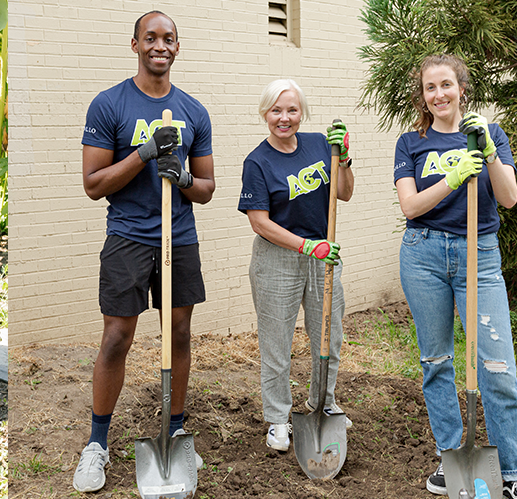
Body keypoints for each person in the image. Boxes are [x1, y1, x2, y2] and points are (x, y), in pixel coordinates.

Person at [73, 10, 215, 493]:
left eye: (168, 38)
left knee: (178, 331)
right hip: (129, 237)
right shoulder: (109, 105)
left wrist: (185, 177)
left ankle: (175, 429)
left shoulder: (194, 111)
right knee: (117, 337)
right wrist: (144, 154)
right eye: (150, 37)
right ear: (134, 44)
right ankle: (97, 444)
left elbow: (208, 188)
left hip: (180, 236)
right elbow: (93, 185)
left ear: (178, 47)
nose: (160, 45)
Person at [393, 53, 517, 499]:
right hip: (424, 255)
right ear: (423, 96)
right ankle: (452, 458)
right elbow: (410, 207)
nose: (439, 95)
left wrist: (488, 152)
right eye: (430, 88)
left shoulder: (489, 135)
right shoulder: (410, 143)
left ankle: (510, 475)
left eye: (446, 85)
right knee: (436, 363)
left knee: (498, 368)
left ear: (461, 88)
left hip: (480, 257)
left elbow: (508, 199)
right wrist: (453, 177)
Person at [238, 79, 354, 452]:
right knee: (277, 345)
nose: (284, 118)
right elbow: (260, 222)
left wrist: (345, 160)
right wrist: (307, 246)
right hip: (279, 259)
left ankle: (323, 402)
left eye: (291, 110)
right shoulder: (257, 162)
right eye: (276, 111)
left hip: (323, 256)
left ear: (301, 112)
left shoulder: (321, 144)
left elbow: (345, 192)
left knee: (328, 337)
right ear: (264, 114)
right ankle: (277, 419)